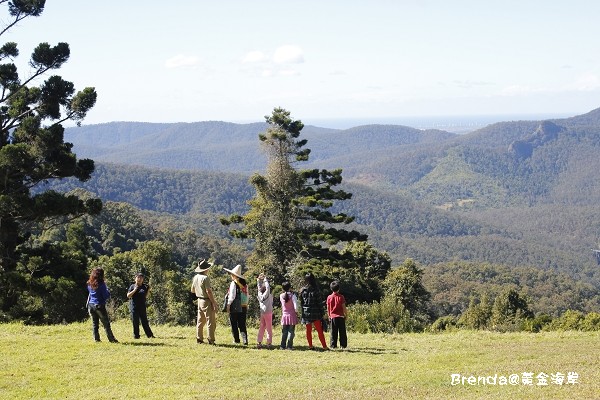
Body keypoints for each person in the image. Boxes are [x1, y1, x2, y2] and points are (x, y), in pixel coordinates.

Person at [86, 267, 118, 343]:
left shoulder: (90, 283)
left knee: (95, 323)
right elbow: (106, 296)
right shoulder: (101, 284)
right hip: (99, 305)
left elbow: (90, 293)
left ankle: (96, 339)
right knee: (106, 323)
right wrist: (108, 291)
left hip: (91, 305)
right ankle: (111, 339)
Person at [190, 259, 217, 345]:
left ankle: (199, 338)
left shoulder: (195, 277)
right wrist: (213, 302)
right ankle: (211, 339)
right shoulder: (205, 278)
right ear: (206, 269)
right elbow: (208, 291)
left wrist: (199, 292)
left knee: (200, 321)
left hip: (199, 300)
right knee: (210, 321)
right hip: (206, 301)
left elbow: (192, 290)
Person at [300, 272, 328, 351]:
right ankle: (324, 346)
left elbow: (301, 302)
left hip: (306, 312)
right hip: (315, 312)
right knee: (319, 330)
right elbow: (319, 303)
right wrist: (322, 313)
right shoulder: (316, 290)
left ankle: (310, 345)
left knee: (308, 330)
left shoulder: (303, 290)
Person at [223, 264, 249, 345]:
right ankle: (245, 340)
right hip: (243, 306)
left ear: (234, 275)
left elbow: (232, 296)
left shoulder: (233, 283)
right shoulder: (245, 284)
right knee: (242, 324)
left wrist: (228, 305)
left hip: (235, 306)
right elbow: (247, 296)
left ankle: (236, 340)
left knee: (234, 323)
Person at [127, 272, 154, 339]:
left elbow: (145, 296)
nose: (139, 279)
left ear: (143, 279)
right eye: (138, 277)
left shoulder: (145, 286)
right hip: (134, 307)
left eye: (141, 278)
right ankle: (136, 336)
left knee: (144, 321)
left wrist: (148, 290)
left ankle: (150, 335)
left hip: (142, 306)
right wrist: (135, 290)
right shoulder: (132, 286)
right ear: (135, 279)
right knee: (135, 322)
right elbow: (128, 296)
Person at [326, 280, 348, 349]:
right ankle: (343, 345)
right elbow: (344, 307)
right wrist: (346, 315)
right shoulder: (341, 297)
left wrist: (329, 315)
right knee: (342, 332)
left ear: (331, 288)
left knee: (333, 332)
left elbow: (328, 308)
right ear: (338, 289)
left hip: (333, 317)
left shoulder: (329, 297)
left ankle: (333, 345)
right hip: (340, 316)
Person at [279, 281, 299, 350]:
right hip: (292, 315)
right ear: (290, 287)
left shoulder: (281, 296)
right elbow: (296, 307)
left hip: (284, 315)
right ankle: (289, 346)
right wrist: (297, 313)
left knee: (284, 331)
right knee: (291, 331)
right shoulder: (293, 296)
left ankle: (282, 345)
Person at [256, 273, 273, 349]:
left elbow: (259, 287)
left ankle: (259, 342)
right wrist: (265, 280)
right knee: (269, 327)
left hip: (262, 312)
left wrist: (259, 280)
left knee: (262, 327)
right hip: (268, 312)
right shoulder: (267, 294)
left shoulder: (259, 294)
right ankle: (269, 343)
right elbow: (268, 288)